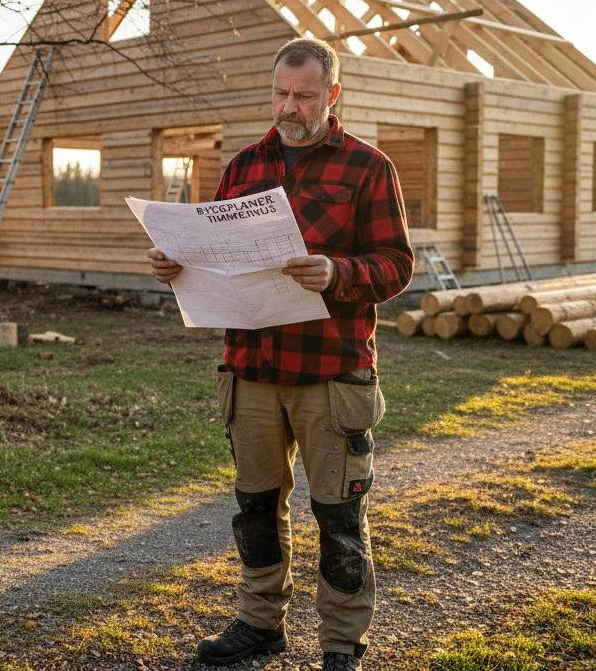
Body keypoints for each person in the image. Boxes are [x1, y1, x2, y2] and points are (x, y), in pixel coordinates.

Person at [148, 38, 413, 671]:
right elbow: (217, 256)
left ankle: (342, 644)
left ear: (333, 95)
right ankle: (260, 623)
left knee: (338, 517)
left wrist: (338, 272)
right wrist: (177, 264)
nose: (288, 107)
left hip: (330, 372)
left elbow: (398, 265)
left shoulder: (369, 168)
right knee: (256, 509)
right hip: (252, 370)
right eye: (280, 93)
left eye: (303, 95)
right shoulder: (242, 167)